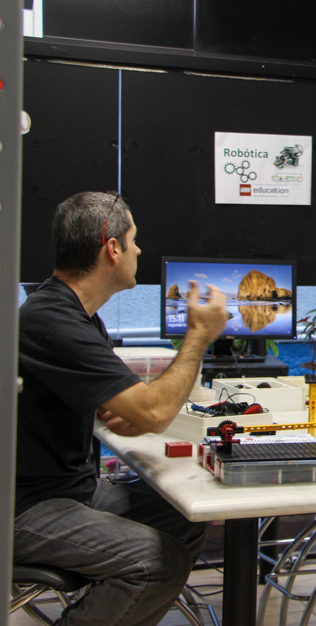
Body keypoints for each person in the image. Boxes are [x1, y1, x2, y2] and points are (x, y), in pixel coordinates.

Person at [15, 191, 229, 626]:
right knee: (156, 562)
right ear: (112, 249)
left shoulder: (79, 317)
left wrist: (118, 412)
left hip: (71, 489)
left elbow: (122, 407)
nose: (139, 251)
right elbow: (153, 412)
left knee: (183, 521)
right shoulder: (50, 321)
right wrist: (197, 337)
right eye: (134, 240)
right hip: (25, 508)